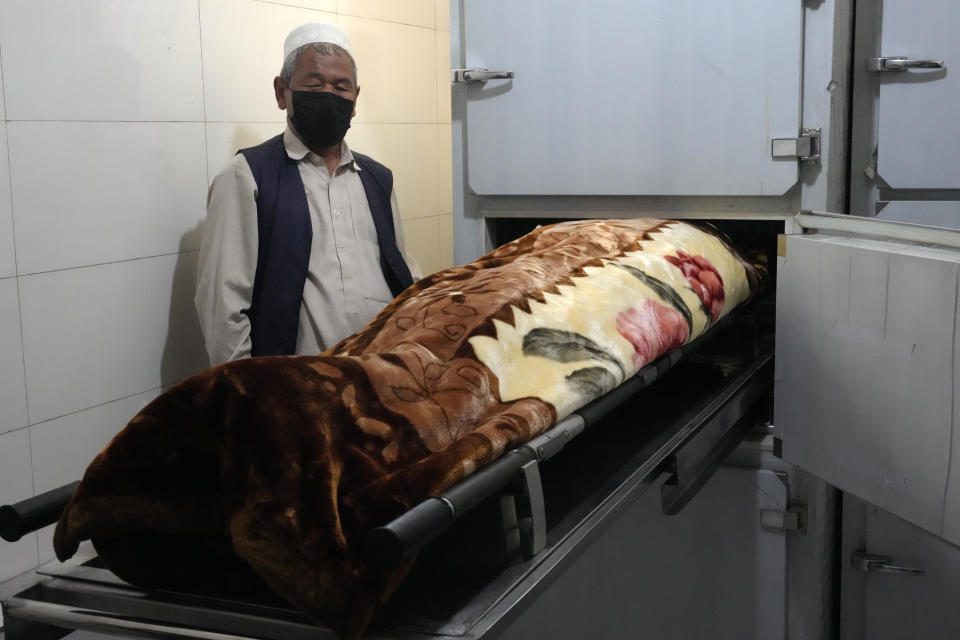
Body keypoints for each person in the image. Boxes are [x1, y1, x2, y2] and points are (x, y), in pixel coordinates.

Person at [196, 23, 421, 365]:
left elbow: (402, 269)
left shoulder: (378, 179)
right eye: (314, 84)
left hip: (378, 378)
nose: (329, 95)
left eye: (340, 86)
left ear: (355, 99)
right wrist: (246, 394)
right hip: (295, 390)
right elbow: (223, 307)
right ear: (281, 92)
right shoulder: (246, 176)